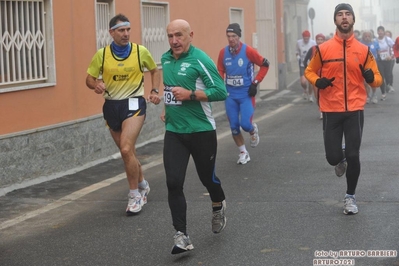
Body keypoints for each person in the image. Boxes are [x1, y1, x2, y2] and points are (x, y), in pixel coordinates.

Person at [304, 3, 382, 215]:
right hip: (331, 109)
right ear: (335, 20)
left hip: (355, 109)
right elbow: (310, 71)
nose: (344, 17)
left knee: (355, 154)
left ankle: (350, 196)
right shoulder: (323, 48)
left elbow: (377, 79)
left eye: (348, 14)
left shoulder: (364, 50)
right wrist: (318, 81)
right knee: (332, 157)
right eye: (340, 15)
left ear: (353, 20)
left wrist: (371, 79)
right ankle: (341, 158)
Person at [161, 19, 227, 254]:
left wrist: (190, 94)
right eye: (170, 36)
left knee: (207, 179)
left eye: (179, 35)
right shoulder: (165, 59)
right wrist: (166, 109)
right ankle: (182, 235)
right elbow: (171, 91)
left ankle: (218, 203)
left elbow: (221, 91)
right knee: (173, 182)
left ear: (191, 35)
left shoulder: (201, 59)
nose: (174, 41)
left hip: (201, 131)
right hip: (175, 132)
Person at [86, 14, 161, 215]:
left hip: (134, 103)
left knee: (126, 149)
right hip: (111, 106)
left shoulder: (140, 51)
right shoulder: (101, 55)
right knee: (127, 152)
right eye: (121, 30)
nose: (126, 34)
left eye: (128, 30)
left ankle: (135, 195)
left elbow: (154, 70)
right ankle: (143, 184)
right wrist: (96, 84)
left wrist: (154, 91)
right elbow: (89, 79)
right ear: (111, 33)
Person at [217, 23, 269, 165]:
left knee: (245, 124)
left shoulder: (248, 51)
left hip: (246, 94)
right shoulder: (223, 53)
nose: (231, 39)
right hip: (230, 95)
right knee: (234, 126)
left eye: (234, 36)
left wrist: (255, 82)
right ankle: (243, 152)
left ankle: (253, 130)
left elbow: (265, 64)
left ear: (239, 36)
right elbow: (220, 70)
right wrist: (220, 85)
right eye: (228, 36)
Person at [303, 33, 326, 119]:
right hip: (315, 75)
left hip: (325, 74)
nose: (319, 41)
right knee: (317, 95)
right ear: (316, 41)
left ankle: (325, 110)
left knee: (325, 94)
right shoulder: (312, 49)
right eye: (318, 39)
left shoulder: (327, 49)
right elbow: (305, 61)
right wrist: (308, 71)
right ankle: (321, 110)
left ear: (324, 41)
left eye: (321, 39)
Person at [361, 30, 380, 104]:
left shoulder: (375, 43)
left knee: (372, 81)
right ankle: (367, 96)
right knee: (365, 82)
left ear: (371, 36)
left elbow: (378, 51)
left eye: (369, 36)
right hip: (363, 65)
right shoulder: (360, 43)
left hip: (373, 65)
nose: (367, 38)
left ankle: (374, 95)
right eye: (365, 36)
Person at [296, 30, 316, 102]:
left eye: (307, 38)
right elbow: (297, 51)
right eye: (305, 38)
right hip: (302, 64)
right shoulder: (299, 43)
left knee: (310, 82)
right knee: (303, 82)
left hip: (311, 65)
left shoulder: (313, 43)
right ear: (303, 37)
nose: (306, 39)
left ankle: (310, 95)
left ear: (309, 37)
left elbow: (315, 52)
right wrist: (298, 57)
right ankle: (305, 89)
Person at [376, 26, 395, 99]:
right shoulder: (375, 40)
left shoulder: (388, 39)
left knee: (388, 74)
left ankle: (389, 85)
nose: (380, 32)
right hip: (380, 60)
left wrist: (391, 56)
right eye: (379, 31)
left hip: (388, 60)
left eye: (381, 31)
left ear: (384, 32)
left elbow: (394, 48)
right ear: (377, 32)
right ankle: (383, 92)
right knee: (381, 76)